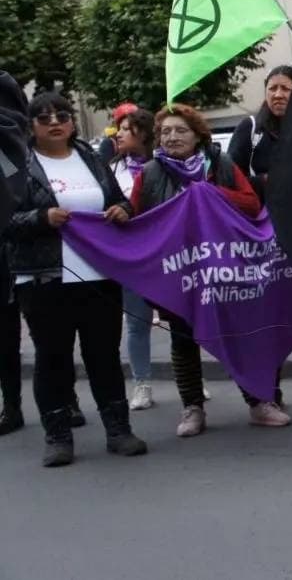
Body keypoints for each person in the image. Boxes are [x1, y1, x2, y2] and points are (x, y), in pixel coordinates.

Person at [5, 92, 147, 466]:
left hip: (98, 273)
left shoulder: (90, 155)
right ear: (30, 124)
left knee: (103, 354)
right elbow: (5, 220)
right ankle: (58, 437)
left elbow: (120, 200)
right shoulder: (14, 162)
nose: (55, 121)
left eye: (62, 115)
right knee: (53, 358)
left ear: (71, 121)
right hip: (44, 277)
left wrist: (122, 209)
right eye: (44, 116)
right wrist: (40, 218)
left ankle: (119, 430)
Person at [130, 103, 285, 436]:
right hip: (179, 273)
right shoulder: (150, 174)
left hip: (223, 271)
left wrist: (209, 192)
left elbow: (251, 204)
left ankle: (259, 403)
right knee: (183, 341)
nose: (172, 137)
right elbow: (137, 220)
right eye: (166, 131)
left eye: (180, 130)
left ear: (198, 135)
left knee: (236, 336)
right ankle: (193, 410)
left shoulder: (221, 165)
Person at [229, 65, 292, 403]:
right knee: (273, 312)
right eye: (272, 88)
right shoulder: (251, 130)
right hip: (264, 237)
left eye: (286, 89)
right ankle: (268, 389)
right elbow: (231, 176)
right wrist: (265, 187)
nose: (277, 95)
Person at [110, 109, 159, 411]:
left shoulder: (163, 166)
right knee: (137, 323)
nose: (118, 134)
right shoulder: (110, 170)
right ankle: (142, 383)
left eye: (125, 129)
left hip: (166, 256)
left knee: (183, 321)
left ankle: (192, 382)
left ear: (142, 133)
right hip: (132, 260)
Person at [0, 72, 29, 437]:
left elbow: (16, 126)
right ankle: (12, 404)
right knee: (3, 329)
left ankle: (66, 398)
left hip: (12, 211)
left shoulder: (3, 82)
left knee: (44, 323)